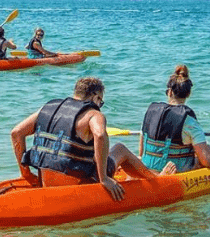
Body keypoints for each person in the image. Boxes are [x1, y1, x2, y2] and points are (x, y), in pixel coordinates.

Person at [11, 77, 167, 202]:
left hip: (45, 179)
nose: (100, 105)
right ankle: (158, 180)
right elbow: (100, 135)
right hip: (77, 183)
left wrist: (25, 173)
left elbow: (16, 133)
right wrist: (104, 178)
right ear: (96, 97)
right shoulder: (93, 114)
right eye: (101, 102)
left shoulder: (48, 108)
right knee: (120, 149)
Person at [138, 65, 210, 174]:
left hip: (147, 170)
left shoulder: (150, 112)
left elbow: (141, 152)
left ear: (170, 92)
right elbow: (207, 163)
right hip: (176, 173)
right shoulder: (189, 121)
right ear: (188, 94)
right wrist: (208, 153)